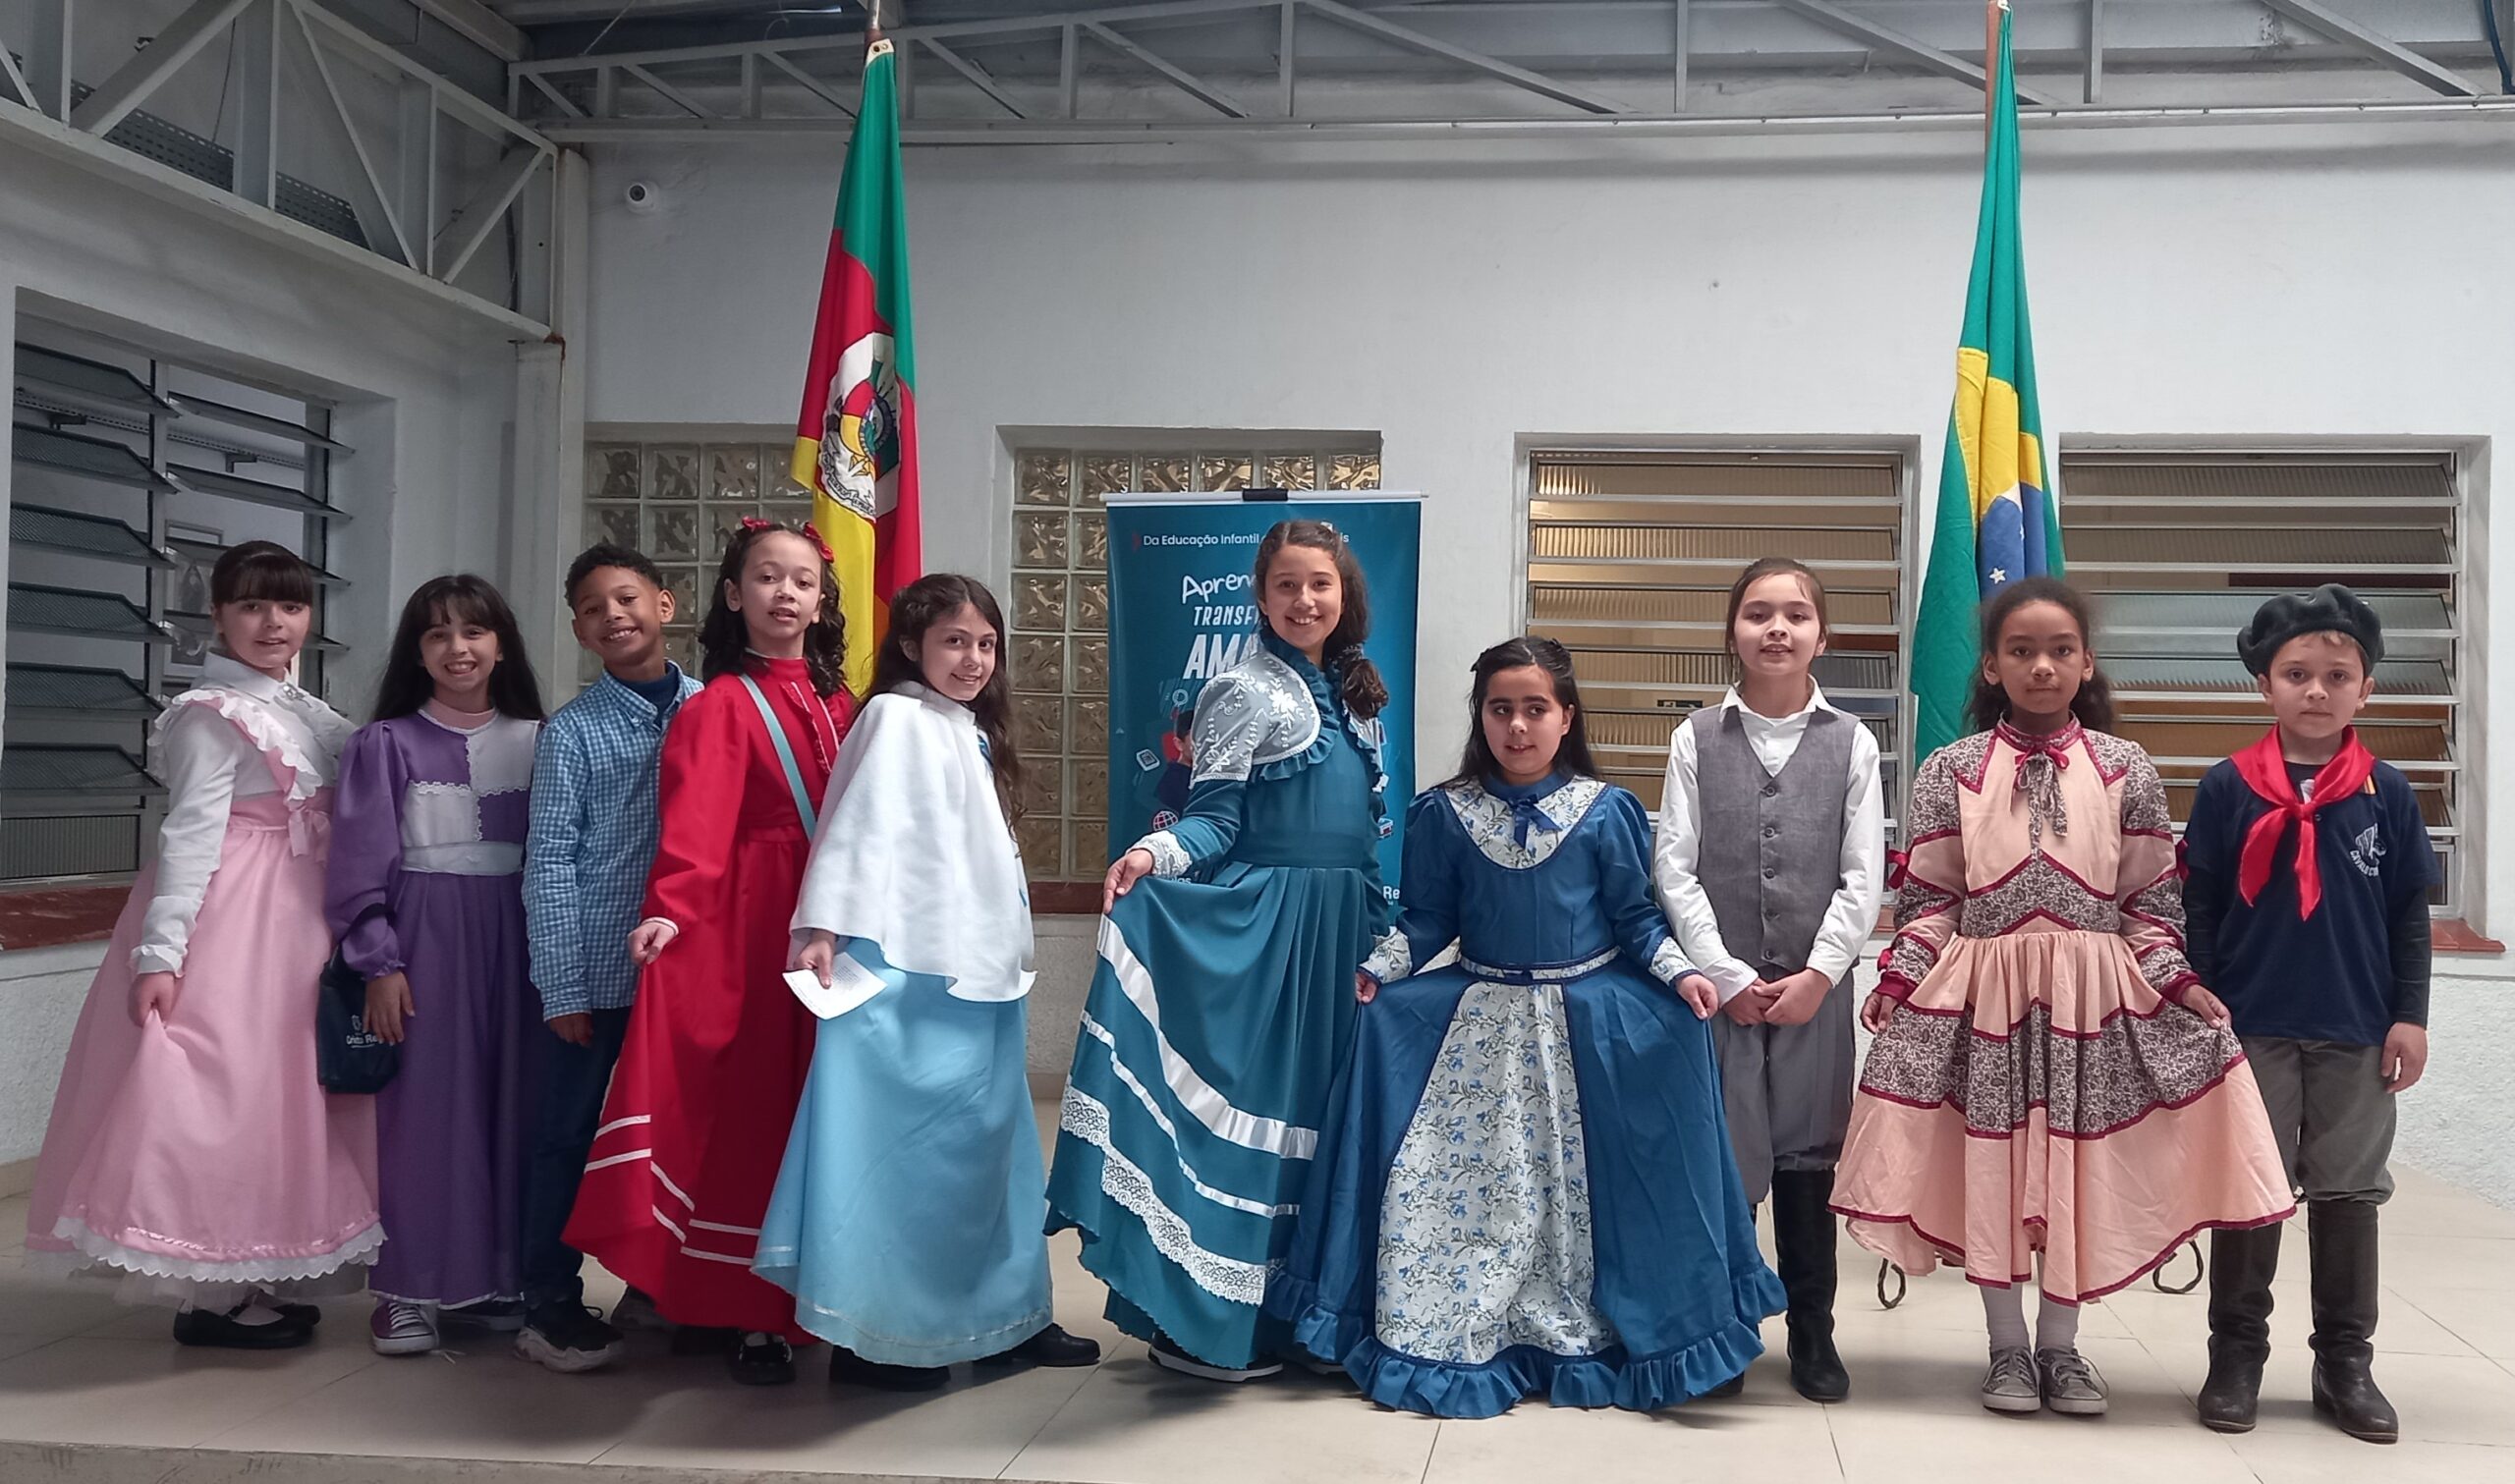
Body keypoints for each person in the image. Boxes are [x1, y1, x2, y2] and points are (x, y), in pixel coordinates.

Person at [1271, 637, 1783, 1417]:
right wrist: (1383, 966)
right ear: (1480, 716)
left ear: (1566, 716)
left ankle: (1628, 1311)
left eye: (1535, 708)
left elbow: (1635, 917)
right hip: (1478, 1022)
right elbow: (1428, 917)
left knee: (1596, 1166)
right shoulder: (1443, 812)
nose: (1517, 725)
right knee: (1480, 1181)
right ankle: (1463, 1311)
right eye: (1500, 709)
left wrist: (1681, 972)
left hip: (1588, 1013)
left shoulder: (1606, 809)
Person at [1831, 577, 2293, 1417]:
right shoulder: (1950, 769)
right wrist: (1900, 976)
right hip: (1985, 999)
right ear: (1991, 666)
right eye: (2021, 651)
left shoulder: (2126, 766)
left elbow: (2149, 903)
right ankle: (2006, 1346)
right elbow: (1933, 899)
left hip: (2093, 1000)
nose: (2041, 666)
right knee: (1994, 1167)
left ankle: (2061, 1347)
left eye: (2060, 650)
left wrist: (2179, 981)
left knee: (2076, 1168)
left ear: (2086, 662)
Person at [1046, 518, 1395, 1382]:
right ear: (1260, 596)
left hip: (1340, 934)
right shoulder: (1241, 690)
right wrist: (1151, 854)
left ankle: (1296, 1316)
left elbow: (1367, 837)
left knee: (1318, 1122)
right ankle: (1202, 1320)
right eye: (1286, 584)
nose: (1304, 599)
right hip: (1272, 931)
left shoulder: (1359, 701)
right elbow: (1212, 819)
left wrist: (1383, 931)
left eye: (1319, 583)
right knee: (1252, 1112)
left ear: (1344, 593)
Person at [25, 542, 379, 1347]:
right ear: (217, 615)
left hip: (296, 922)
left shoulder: (298, 707)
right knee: (223, 1093)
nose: (273, 622)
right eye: (252, 605)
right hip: (236, 927)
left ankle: (252, 1270)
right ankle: (209, 1294)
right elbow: (188, 836)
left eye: (290, 605)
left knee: (282, 1097)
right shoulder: (209, 714)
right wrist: (161, 955)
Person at [756, 574, 1102, 1390]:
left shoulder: (968, 729)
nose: (974, 659)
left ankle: (1004, 1320)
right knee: (895, 1159)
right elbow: (855, 829)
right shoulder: (896, 716)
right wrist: (823, 928)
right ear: (912, 646)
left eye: (986, 644)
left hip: (980, 973)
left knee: (991, 1153)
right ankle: (878, 1338)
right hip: (905, 972)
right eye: (955, 641)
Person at [566, 518, 856, 1387]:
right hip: (760, 927)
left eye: (801, 580)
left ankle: (831, 1290)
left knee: (834, 1112)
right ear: (734, 595)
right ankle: (754, 1312)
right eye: (766, 577)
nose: (784, 593)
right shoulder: (719, 705)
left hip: (843, 925)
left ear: (821, 600)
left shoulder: (847, 704)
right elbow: (696, 833)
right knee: (761, 1113)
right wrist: (670, 911)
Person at [2183, 585, 2436, 1445]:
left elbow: (2408, 916)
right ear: (2265, 684)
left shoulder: (2387, 792)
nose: (2317, 690)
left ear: (2367, 688)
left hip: (2357, 1027)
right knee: (2252, 1190)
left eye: (2337, 675)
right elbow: (2201, 905)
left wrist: (2410, 1015)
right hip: (2249, 1024)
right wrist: (2200, 999)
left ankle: (2344, 1363)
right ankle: (2235, 1357)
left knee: (2348, 1191)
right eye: (2297, 674)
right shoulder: (2228, 787)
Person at [1651, 558, 1884, 1402]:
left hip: (1817, 990)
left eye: (1795, 614)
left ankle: (1813, 1327)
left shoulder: (1853, 740)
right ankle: (1726, 1326)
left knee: (1807, 1154)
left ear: (1823, 635)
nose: (1777, 628)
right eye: (1757, 613)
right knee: (1727, 1149)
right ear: (1733, 632)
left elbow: (1863, 873)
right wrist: (1725, 970)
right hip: (1721, 993)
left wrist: (1822, 972)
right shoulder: (1695, 737)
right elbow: (1675, 867)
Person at [327, 576, 546, 1356]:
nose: (458, 648)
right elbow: (358, 864)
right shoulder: (384, 743)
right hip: (424, 939)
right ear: (416, 652)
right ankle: (407, 1288)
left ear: (501, 643)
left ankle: (494, 1279)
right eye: (438, 634)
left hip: (522, 935)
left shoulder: (543, 738)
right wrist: (379, 961)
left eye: (474, 631)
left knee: (514, 1106)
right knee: (424, 1112)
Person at [515, 544, 700, 1374]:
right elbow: (549, 860)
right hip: (598, 973)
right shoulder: (572, 732)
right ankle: (547, 1300)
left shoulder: (714, 707)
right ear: (579, 631)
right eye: (593, 608)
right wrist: (563, 986)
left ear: (665, 604)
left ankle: (657, 1286)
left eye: (627, 598)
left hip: (688, 971)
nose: (613, 615)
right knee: (568, 1134)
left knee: (674, 1133)